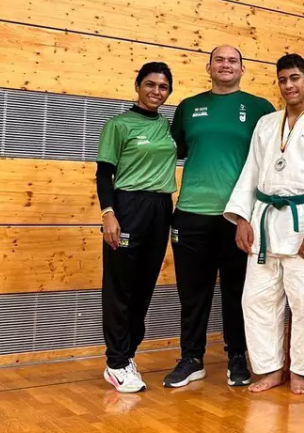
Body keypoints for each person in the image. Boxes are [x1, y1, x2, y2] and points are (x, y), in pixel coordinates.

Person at [224, 53, 304, 395]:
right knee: (257, 300)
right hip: (263, 222)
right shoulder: (265, 124)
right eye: (283, 80)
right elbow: (250, 173)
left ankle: (302, 370)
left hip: (302, 223)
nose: (289, 85)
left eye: (295, 78)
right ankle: (271, 367)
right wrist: (242, 218)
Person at [165, 45, 275, 388]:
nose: (225, 65)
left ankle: (237, 357)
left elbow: (269, 162)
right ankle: (191, 358)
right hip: (190, 215)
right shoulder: (187, 107)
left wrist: (250, 214)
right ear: (208, 67)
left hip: (237, 218)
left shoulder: (260, 109)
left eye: (233, 61)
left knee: (236, 291)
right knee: (193, 292)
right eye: (219, 60)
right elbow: (176, 150)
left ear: (243, 69)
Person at [98, 62, 177, 393]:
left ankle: (127, 354)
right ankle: (115, 362)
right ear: (138, 86)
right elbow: (104, 174)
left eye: (162, 86)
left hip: (161, 209)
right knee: (121, 287)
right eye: (150, 84)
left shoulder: (169, 127)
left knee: (144, 286)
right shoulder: (118, 125)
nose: (156, 91)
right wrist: (108, 213)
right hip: (128, 207)